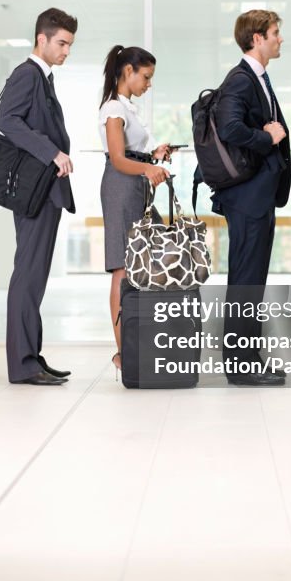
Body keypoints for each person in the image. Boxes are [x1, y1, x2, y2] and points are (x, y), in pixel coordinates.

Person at [0, 8, 77, 386]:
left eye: (69, 45)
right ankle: (24, 363)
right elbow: (8, 121)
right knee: (28, 275)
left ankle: (32, 357)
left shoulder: (44, 78)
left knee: (34, 276)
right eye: (61, 43)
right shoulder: (27, 74)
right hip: (34, 189)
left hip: (45, 189)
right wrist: (52, 152)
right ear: (41, 39)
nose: (65, 51)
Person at [212, 9, 291, 386]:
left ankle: (248, 359)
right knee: (246, 279)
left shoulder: (257, 77)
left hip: (257, 195)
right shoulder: (241, 79)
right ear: (256, 38)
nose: (279, 39)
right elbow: (229, 127)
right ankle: (241, 365)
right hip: (247, 196)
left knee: (252, 279)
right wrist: (268, 138)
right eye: (275, 33)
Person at [99, 45, 171, 377]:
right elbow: (117, 158)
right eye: (146, 76)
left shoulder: (128, 107)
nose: (149, 84)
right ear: (128, 71)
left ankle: (139, 344)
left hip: (137, 186)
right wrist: (146, 169)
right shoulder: (114, 107)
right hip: (122, 186)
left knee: (147, 262)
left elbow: (133, 152)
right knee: (123, 268)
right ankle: (124, 353)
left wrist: (154, 154)